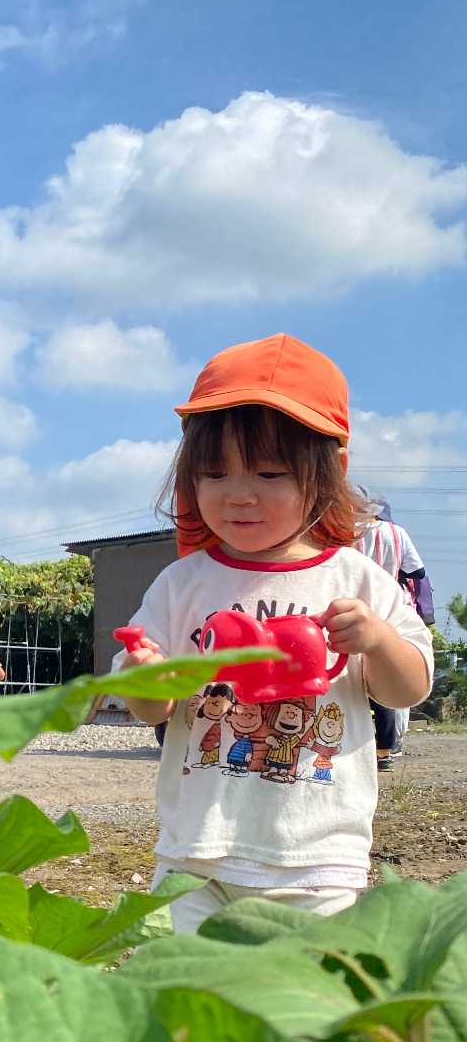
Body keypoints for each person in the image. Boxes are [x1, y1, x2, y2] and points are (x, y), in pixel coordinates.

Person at [115, 334, 433, 934]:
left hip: (315, 857)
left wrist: (377, 640)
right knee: (186, 1005)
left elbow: (407, 688)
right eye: (214, 473)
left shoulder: (354, 579)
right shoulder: (182, 583)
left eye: (268, 473)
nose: (239, 494)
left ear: (330, 470)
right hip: (195, 854)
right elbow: (148, 708)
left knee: (304, 1008)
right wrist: (146, 674)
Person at [353, 494, 436, 770]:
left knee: (352, 679)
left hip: (352, 605)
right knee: (383, 678)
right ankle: (384, 749)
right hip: (388, 607)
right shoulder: (396, 533)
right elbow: (417, 570)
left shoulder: (346, 532)